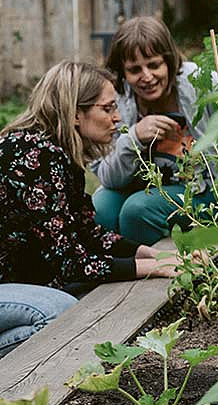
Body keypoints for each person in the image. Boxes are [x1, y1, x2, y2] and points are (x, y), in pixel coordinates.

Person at [0, 61, 189, 357]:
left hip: (12, 284)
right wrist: (154, 269)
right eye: (107, 108)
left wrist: (155, 255)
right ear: (76, 114)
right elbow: (71, 263)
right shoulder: (32, 157)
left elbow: (86, 232)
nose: (117, 118)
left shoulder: (55, 154)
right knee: (60, 311)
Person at [92, 16, 218, 245]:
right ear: (122, 73)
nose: (146, 77)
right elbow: (108, 177)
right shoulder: (116, 99)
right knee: (100, 211)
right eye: (134, 70)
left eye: (153, 65)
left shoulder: (199, 83)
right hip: (140, 186)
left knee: (137, 211)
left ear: (169, 62)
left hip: (200, 190)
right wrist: (134, 138)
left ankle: (154, 266)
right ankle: (116, 270)